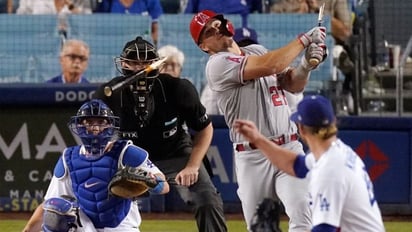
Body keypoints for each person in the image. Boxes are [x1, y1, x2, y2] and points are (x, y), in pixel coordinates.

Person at [189, 10, 327, 231]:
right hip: (252, 156)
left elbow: (292, 84)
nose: (216, 29)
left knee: (304, 217)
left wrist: (305, 67)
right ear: (204, 46)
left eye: (217, 24)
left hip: (288, 146)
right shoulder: (217, 65)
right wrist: (304, 40)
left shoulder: (256, 50)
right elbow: (273, 65)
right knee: (260, 226)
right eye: (208, 31)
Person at [93, 36, 228, 232]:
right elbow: (94, 129)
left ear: (155, 64)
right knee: (97, 195)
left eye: (145, 62)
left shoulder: (178, 88)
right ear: (123, 64)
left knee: (207, 198)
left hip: (176, 153)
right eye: (133, 62)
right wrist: (103, 144)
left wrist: (193, 165)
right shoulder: (110, 93)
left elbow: (205, 128)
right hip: (132, 158)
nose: (140, 68)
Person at [233, 95, 385, 231]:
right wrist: (258, 139)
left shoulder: (328, 173)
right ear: (333, 122)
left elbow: (324, 229)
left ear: (301, 129)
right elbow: (296, 165)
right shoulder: (337, 152)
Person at [22, 99, 170, 232]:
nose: (95, 128)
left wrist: (150, 181)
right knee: (56, 210)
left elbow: (164, 186)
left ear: (110, 125)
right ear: (79, 125)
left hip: (122, 227)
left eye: (101, 122)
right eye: (89, 122)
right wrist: (27, 230)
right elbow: (49, 203)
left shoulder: (126, 152)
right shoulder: (68, 158)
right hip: (87, 228)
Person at [94, 0, 163, 47]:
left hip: (142, 49)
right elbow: (99, 31)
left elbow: (156, 31)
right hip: (114, 47)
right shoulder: (107, 3)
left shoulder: (150, 1)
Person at [16, 0, 92, 14]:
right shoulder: (39, 2)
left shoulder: (76, 2)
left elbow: (84, 17)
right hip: (41, 36)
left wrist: (70, 5)